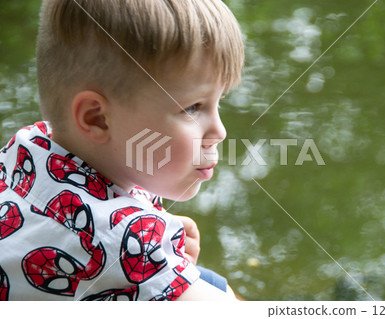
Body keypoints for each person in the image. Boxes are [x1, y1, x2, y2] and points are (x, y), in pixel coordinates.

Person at [0, 0, 244, 301]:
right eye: (192, 108)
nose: (220, 132)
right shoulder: (121, 240)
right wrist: (141, 249)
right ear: (97, 118)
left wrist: (152, 242)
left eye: (218, 102)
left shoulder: (28, 147)